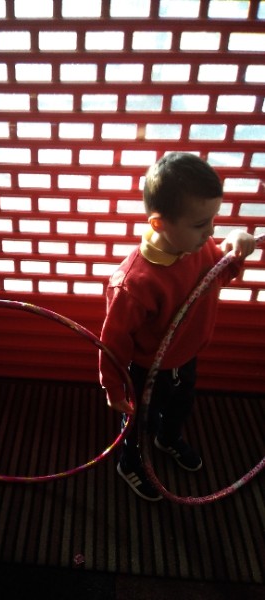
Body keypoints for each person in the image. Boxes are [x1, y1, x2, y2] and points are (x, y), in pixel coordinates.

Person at [99, 152, 255, 501]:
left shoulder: (199, 247)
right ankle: (130, 461)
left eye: (213, 219)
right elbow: (114, 341)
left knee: (180, 406)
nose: (211, 231)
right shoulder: (134, 283)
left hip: (186, 356)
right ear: (159, 224)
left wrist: (236, 249)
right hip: (146, 369)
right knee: (139, 420)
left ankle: (167, 438)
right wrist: (113, 387)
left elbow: (219, 275)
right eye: (201, 224)